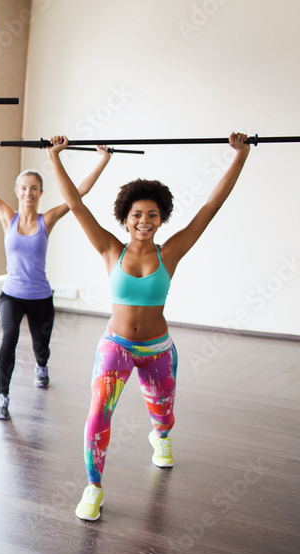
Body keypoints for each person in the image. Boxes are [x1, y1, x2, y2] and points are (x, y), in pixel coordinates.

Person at [46, 133, 250, 521]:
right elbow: (74, 203)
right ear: (125, 218)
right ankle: (93, 487)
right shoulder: (110, 248)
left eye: (152, 215)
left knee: (165, 415)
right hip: (116, 345)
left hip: (157, 349)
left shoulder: (170, 252)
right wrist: (56, 157)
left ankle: (161, 437)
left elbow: (212, 205)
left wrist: (238, 157)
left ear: (161, 219)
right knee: (97, 414)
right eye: (137, 214)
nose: (144, 221)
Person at [0, 141, 113, 419]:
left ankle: (41, 366)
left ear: (41, 193)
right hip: (11, 294)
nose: (28, 193)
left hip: (40, 296)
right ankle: (2, 396)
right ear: (17, 192)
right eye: (23, 188)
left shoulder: (48, 219)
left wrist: (103, 160)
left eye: (34, 188)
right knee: (9, 338)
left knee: (40, 347)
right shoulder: (7, 216)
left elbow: (79, 193)